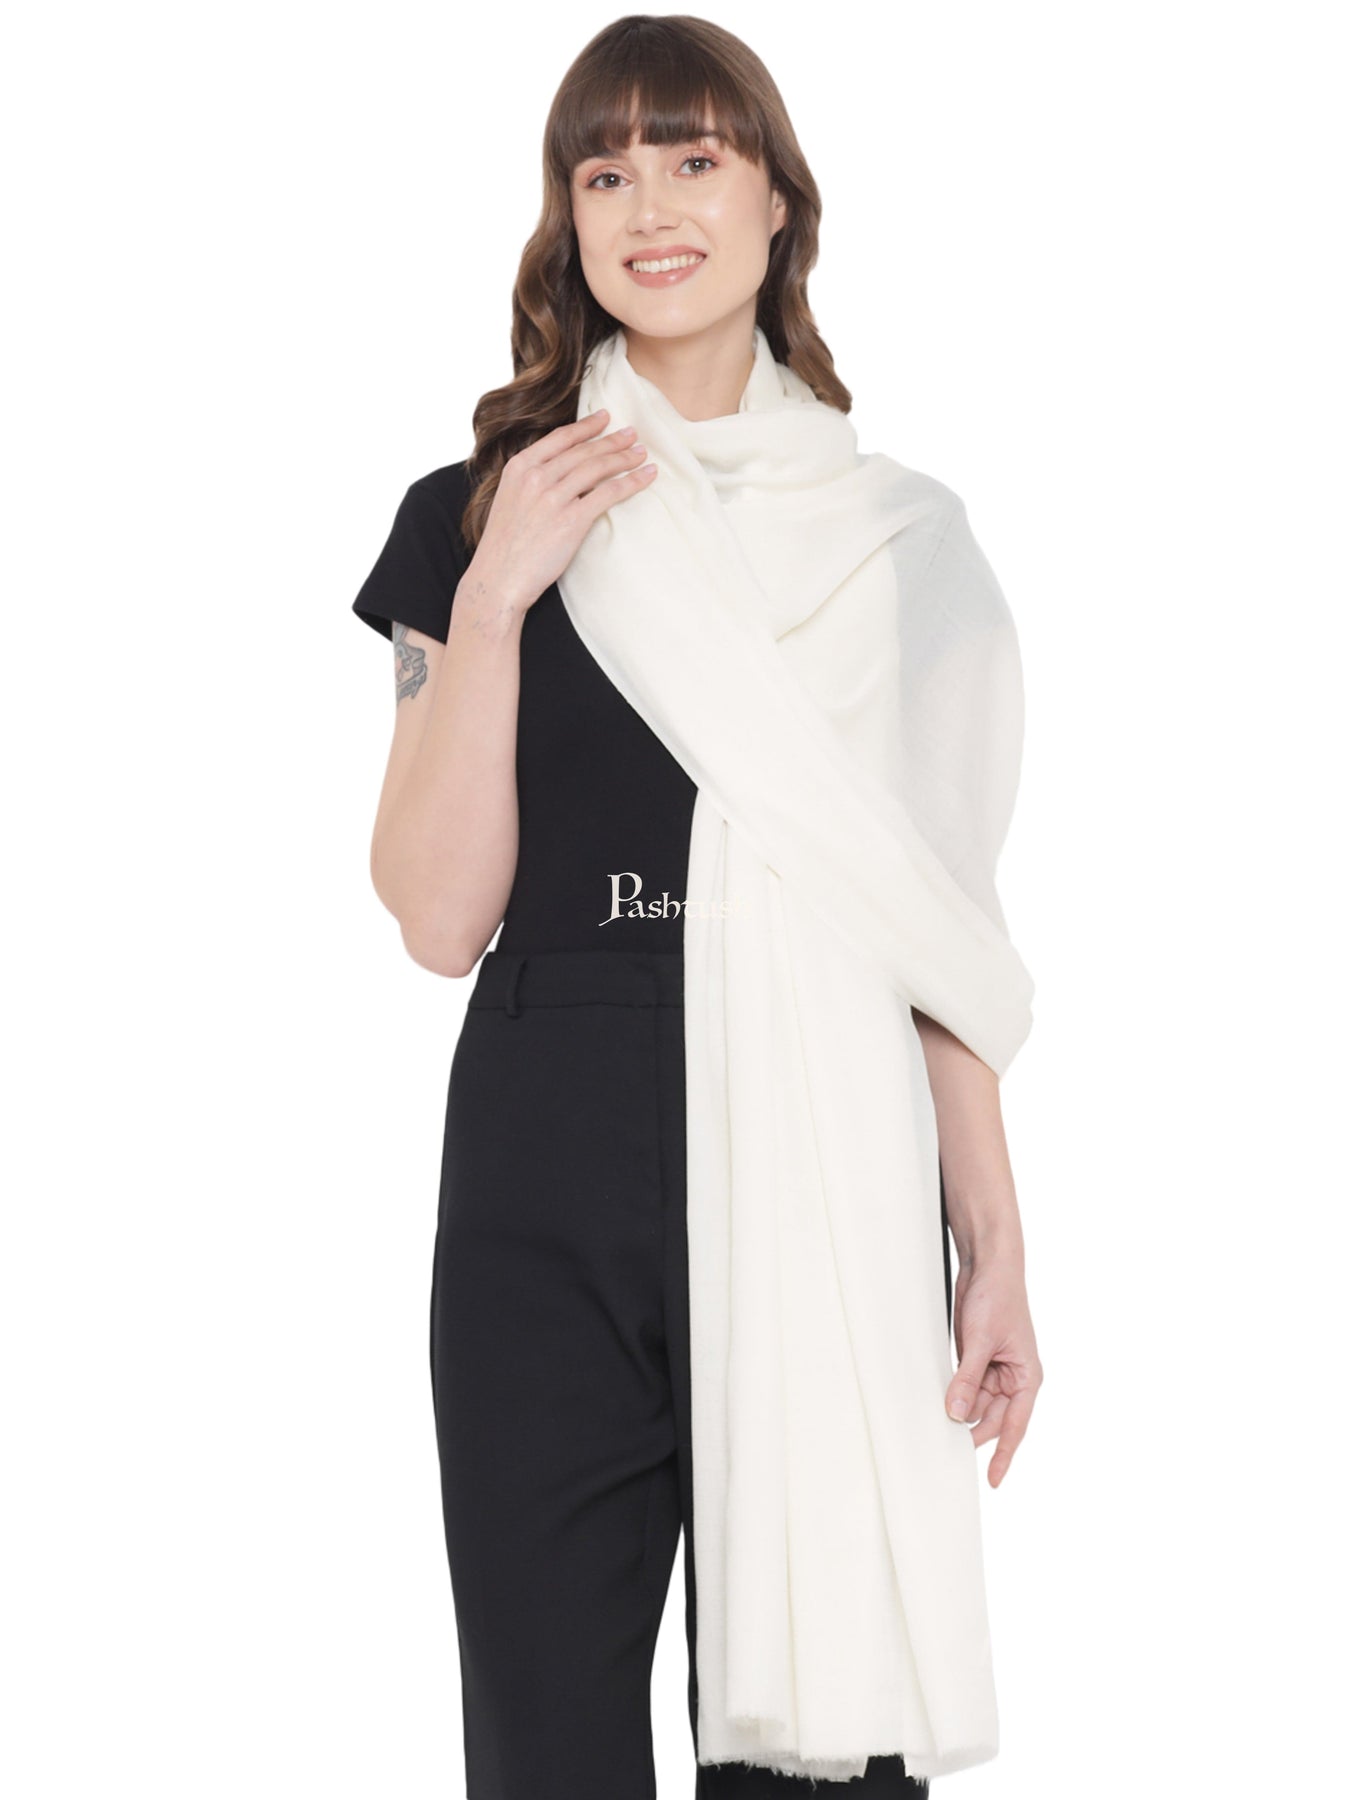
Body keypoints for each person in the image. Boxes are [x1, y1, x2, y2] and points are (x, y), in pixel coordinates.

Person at [351, 15, 1043, 1799]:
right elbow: (435, 916)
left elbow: (934, 927)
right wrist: (496, 600)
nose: (648, 205)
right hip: (548, 1159)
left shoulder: (899, 546)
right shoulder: (474, 514)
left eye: (692, 157)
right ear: (566, 220)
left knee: (822, 1753)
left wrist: (990, 1248)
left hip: (821, 1139)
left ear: (776, 201)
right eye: (604, 171)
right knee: (544, 1744)